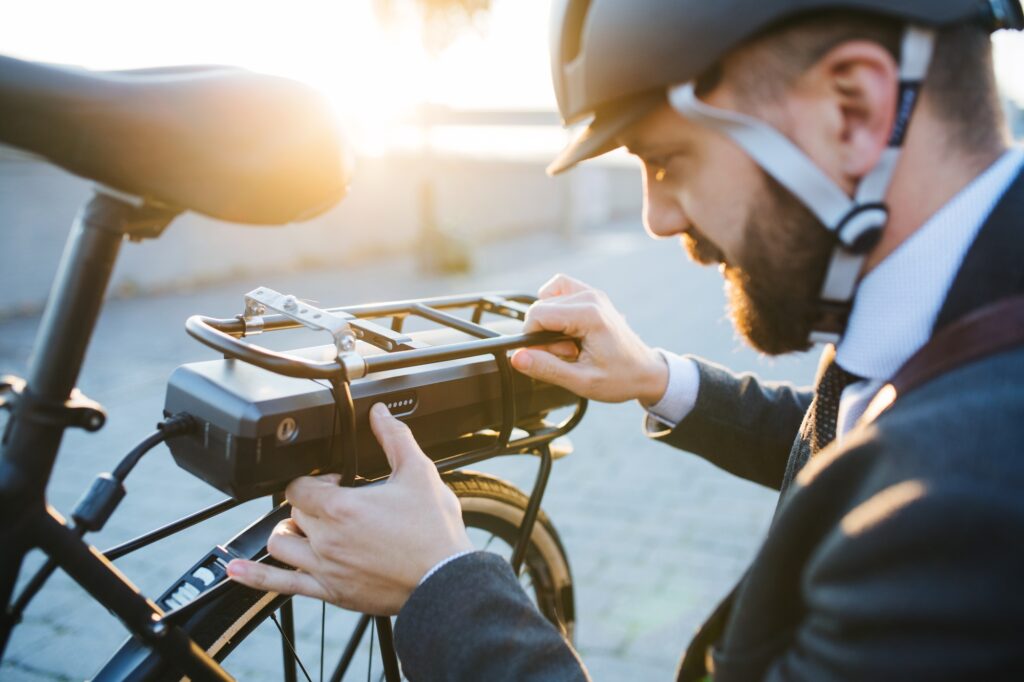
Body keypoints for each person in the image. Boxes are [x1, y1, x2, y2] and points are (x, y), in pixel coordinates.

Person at [227, 0, 1024, 679]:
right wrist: (656, 378)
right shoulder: (961, 305)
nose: (658, 217)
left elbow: (911, 469)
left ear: (851, 111)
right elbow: (850, 444)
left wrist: (442, 583)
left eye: (669, 158)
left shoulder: (970, 504)